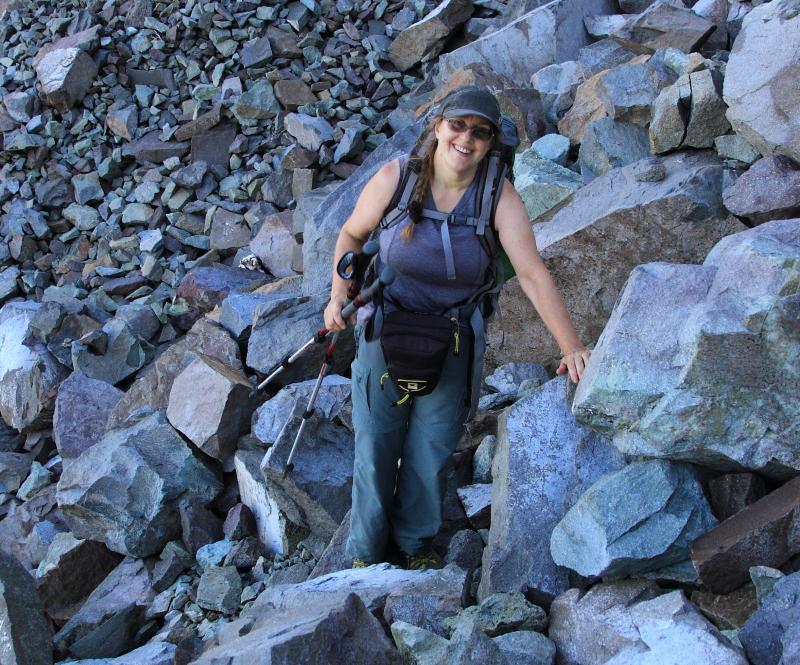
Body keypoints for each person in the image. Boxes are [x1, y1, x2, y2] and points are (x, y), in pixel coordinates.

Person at [323, 86, 591, 570]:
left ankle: (414, 547)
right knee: (376, 446)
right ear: (437, 126)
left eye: (480, 132)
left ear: (491, 142)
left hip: (452, 340)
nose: (466, 138)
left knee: (432, 450)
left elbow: (531, 272)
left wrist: (571, 347)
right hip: (384, 328)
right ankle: (365, 556)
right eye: (458, 125)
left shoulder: (497, 195)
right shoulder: (396, 178)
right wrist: (339, 294)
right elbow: (352, 234)